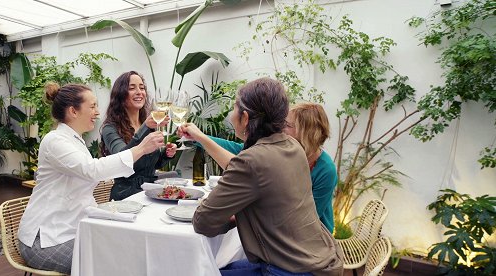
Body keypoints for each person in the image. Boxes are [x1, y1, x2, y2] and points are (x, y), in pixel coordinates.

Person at [178, 77, 343, 276]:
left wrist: (233, 212)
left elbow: (203, 220)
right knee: (218, 268)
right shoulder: (293, 148)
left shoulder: (252, 160)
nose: (231, 116)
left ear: (245, 118)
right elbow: (251, 171)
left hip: (290, 269)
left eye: (234, 109)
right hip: (319, 261)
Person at [18, 82, 164, 274]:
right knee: (114, 263)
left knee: (129, 249)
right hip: (45, 240)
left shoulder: (76, 141)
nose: (97, 112)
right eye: (93, 106)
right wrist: (141, 148)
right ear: (73, 111)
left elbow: (97, 172)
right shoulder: (54, 141)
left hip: (74, 229)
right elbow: (92, 170)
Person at [190, 103, 337, 232]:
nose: (281, 128)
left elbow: (307, 219)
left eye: (287, 125)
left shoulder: (326, 170)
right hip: (280, 234)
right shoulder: (281, 152)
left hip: (312, 241)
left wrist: (238, 216)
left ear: (307, 133)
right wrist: (198, 137)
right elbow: (239, 149)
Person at [101, 71, 177, 201]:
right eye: (131, 88)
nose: (139, 92)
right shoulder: (110, 128)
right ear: (120, 95)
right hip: (126, 196)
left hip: (150, 192)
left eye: (142, 88)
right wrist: (145, 128)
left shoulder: (147, 124)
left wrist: (166, 155)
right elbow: (123, 160)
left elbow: (151, 165)